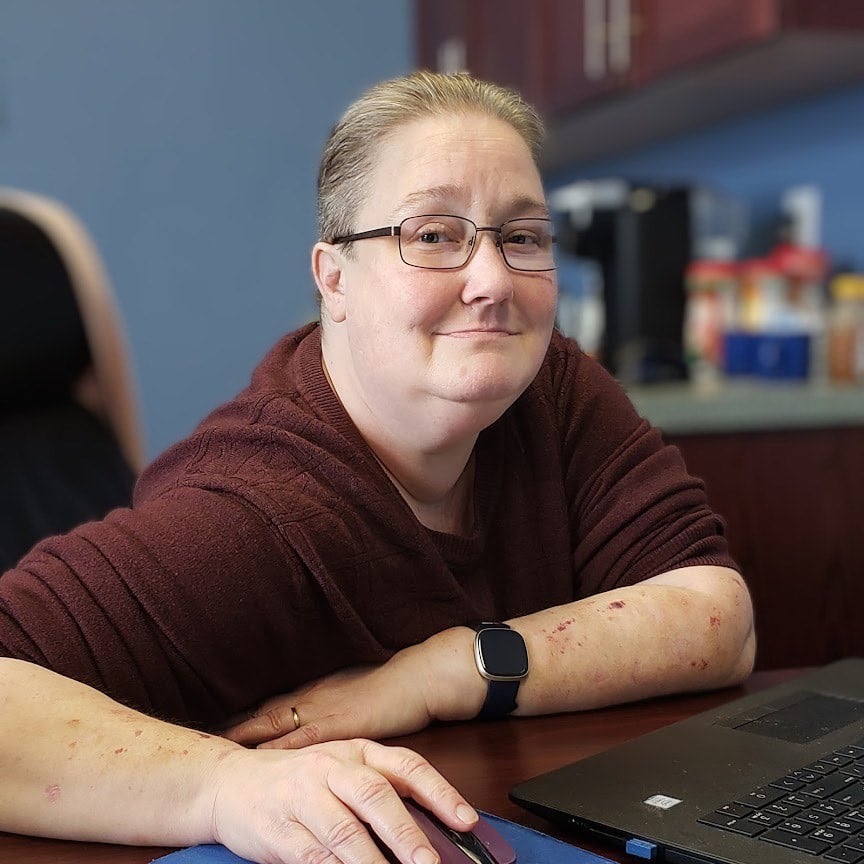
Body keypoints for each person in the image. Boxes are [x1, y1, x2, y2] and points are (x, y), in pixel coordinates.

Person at [0, 70, 755, 863]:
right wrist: (224, 787)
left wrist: (447, 669)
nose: (494, 280)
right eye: (431, 235)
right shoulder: (253, 516)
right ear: (333, 280)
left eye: (523, 237)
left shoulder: (549, 387)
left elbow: (717, 615)